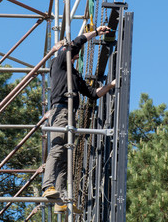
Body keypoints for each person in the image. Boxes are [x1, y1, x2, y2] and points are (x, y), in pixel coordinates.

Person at [42, 25, 116, 213]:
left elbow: (92, 93)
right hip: (60, 110)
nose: (76, 56)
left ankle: (60, 199)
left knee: (66, 158)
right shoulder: (59, 62)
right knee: (58, 148)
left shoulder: (74, 75)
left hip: (70, 114)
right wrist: (96, 33)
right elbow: (77, 43)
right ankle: (47, 186)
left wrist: (112, 85)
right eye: (73, 54)